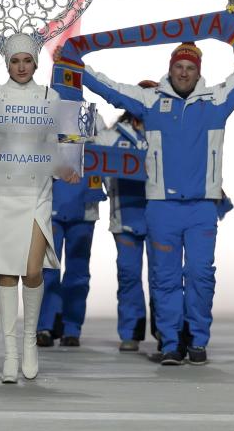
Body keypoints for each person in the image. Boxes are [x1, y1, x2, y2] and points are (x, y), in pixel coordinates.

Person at [81, 41, 234, 365]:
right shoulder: (151, 100)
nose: (183, 72)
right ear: (170, 68)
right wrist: (74, 61)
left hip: (202, 207)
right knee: (164, 278)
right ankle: (170, 342)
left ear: (198, 72)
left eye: (190, 67)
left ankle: (197, 338)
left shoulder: (216, 100)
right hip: (162, 206)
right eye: (179, 66)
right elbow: (110, 89)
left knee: (199, 274)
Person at [0, 34, 79, 383]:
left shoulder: (49, 97)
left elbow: (56, 146)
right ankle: (10, 351)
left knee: (32, 271)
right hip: (1, 191)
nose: (21, 67)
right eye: (15, 61)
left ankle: (30, 341)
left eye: (27, 60)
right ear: (8, 63)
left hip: (36, 191)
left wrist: (66, 168)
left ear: (36, 63)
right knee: (7, 272)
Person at [94, 91, 154, 352]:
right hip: (125, 215)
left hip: (159, 215)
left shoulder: (164, 133)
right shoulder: (112, 135)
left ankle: (166, 331)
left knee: (161, 278)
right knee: (129, 275)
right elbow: (90, 155)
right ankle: (131, 331)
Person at [36, 142, 107, 349]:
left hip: (85, 210)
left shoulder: (95, 121)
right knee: (47, 270)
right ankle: (45, 327)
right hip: (51, 206)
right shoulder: (48, 119)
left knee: (77, 274)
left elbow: (109, 160)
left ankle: (71, 328)